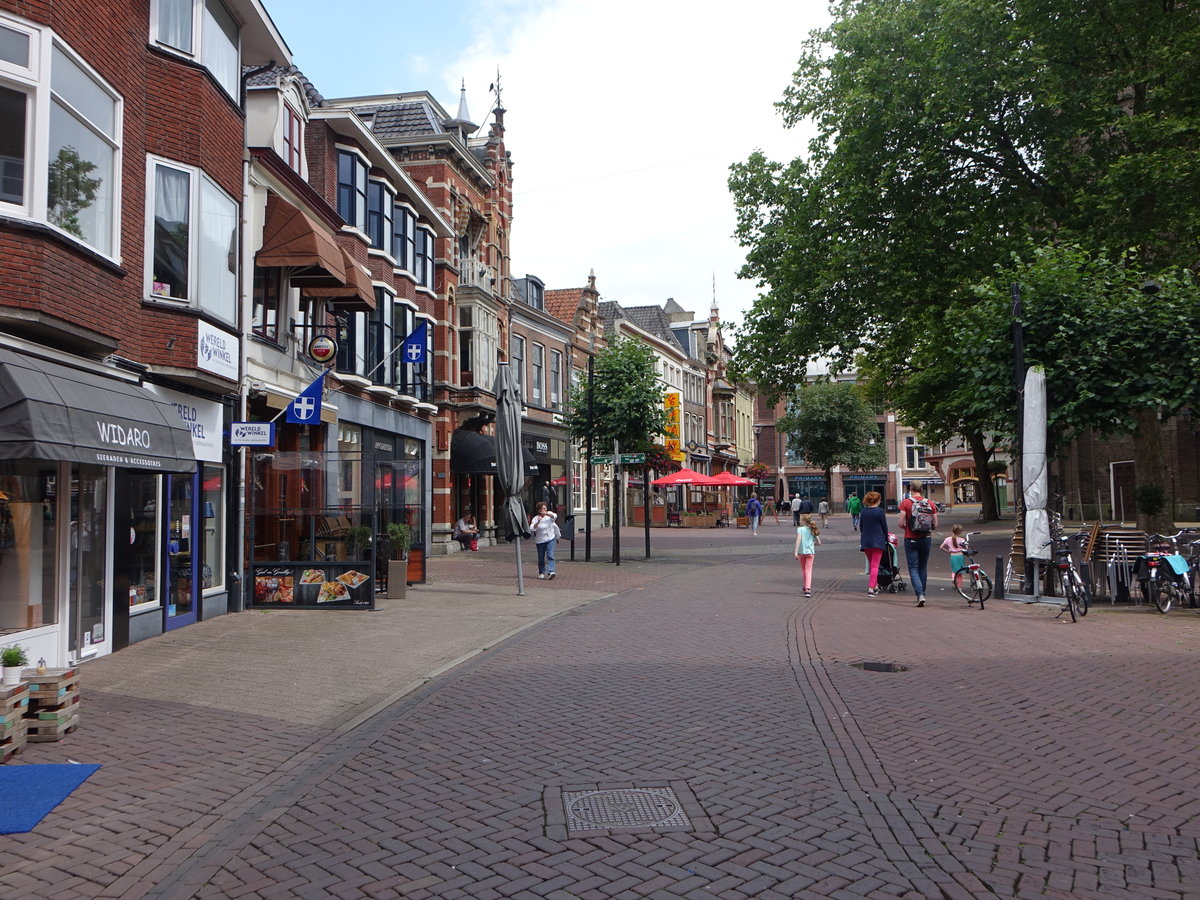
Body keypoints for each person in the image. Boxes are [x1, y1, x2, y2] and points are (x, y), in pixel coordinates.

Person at [899, 486, 939, 607]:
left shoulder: (905, 503)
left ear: (911, 488)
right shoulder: (930, 503)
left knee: (913, 567)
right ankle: (923, 593)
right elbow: (936, 525)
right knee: (923, 567)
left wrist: (907, 527)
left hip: (910, 538)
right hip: (926, 538)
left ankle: (919, 594)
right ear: (921, 489)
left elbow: (900, 523)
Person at [859, 491, 888, 596]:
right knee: (875, 565)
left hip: (866, 541)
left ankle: (875, 586)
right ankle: (871, 588)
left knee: (871, 564)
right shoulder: (879, 511)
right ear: (878, 500)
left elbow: (861, 526)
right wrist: (886, 538)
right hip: (878, 540)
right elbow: (884, 526)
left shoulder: (864, 511)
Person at [794, 514, 821, 598]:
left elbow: (798, 539)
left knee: (804, 570)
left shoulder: (800, 529)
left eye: (801, 519)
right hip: (810, 552)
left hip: (802, 552)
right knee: (808, 570)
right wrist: (813, 544)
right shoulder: (812, 529)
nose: (799, 521)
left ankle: (806, 587)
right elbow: (819, 542)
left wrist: (795, 551)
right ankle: (807, 588)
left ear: (804, 521)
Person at [530, 502, 559, 580]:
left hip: (550, 538)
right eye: (543, 509)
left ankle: (551, 571)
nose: (544, 510)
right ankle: (541, 572)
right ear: (539, 510)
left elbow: (555, 516)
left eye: (545, 508)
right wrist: (538, 522)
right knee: (541, 557)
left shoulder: (549, 516)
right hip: (540, 540)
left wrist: (549, 513)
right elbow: (532, 528)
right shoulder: (535, 518)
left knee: (550, 555)